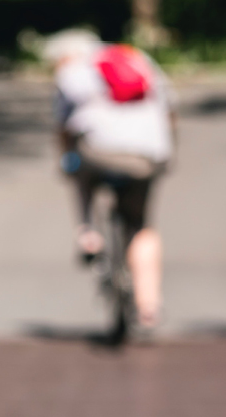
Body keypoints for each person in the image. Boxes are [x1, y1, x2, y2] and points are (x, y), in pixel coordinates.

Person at [43, 29, 176, 330]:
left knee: (78, 168)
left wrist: (65, 160)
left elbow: (63, 128)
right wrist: (167, 153)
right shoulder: (137, 58)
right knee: (141, 225)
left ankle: (88, 233)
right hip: (148, 154)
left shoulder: (71, 72)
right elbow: (169, 108)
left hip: (99, 153)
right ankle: (149, 305)